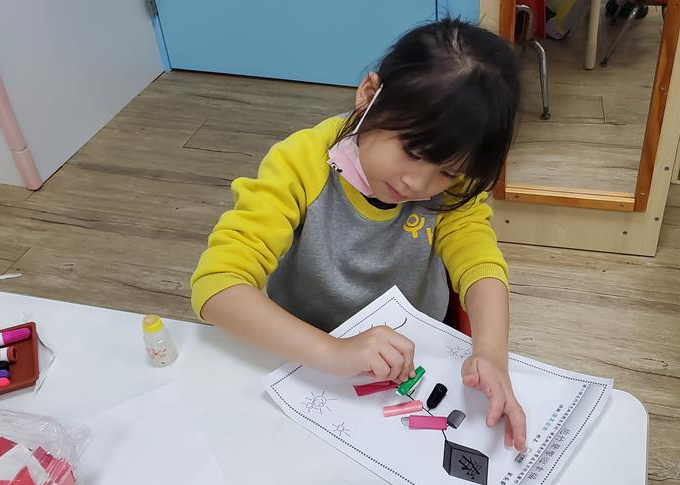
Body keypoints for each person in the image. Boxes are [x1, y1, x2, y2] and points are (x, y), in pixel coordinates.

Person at [190, 18, 527, 451]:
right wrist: (335, 352)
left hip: (412, 357)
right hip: (306, 352)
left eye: (446, 172)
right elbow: (218, 287)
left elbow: (479, 260)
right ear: (369, 96)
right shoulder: (300, 163)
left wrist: (492, 353)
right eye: (412, 151)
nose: (417, 184)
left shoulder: (452, 186)